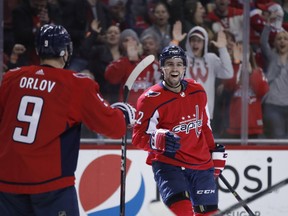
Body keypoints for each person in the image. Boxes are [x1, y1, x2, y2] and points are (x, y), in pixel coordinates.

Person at [0, 24, 136, 216]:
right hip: (50, 185)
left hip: (7, 182)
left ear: (39, 50)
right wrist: (123, 114)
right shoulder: (76, 84)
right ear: (66, 52)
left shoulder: (11, 78)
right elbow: (114, 127)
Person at [132, 45, 227, 216]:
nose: (174, 68)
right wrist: (156, 141)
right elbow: (138, 137)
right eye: (169, 64)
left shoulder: (197, 90)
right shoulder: (149, 99)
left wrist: (213, 152)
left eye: (178, 64)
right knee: (182, 212)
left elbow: (204, 125)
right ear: (162, 68)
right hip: (170, 165)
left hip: (201, 164)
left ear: (184, 67)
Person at [184, 26, 233, 121]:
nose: (195, 43)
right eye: (193, 40)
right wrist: (174, 42)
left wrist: (222, 49)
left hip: (205, 112)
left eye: (199, 41)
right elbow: (167, 69)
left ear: (204, 42)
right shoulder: (182, 57)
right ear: (188, 42)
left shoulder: (211, 59)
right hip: (185, 112)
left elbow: (228, 73)